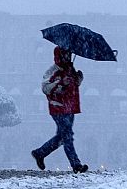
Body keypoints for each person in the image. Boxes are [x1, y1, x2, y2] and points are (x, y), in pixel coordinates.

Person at [31, 46, 88, 174]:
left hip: (70, 108)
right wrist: (61, 83)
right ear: (59, 56)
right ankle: (76, 165)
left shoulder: (70, 69)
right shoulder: (53, 71)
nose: (67, 57)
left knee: (62, 137)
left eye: (69, 55)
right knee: (67, 136)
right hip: (58, 107)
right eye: (65, 55)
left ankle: (40, 153)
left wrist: (78, 80)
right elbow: (45, 88)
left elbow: (73, 87)